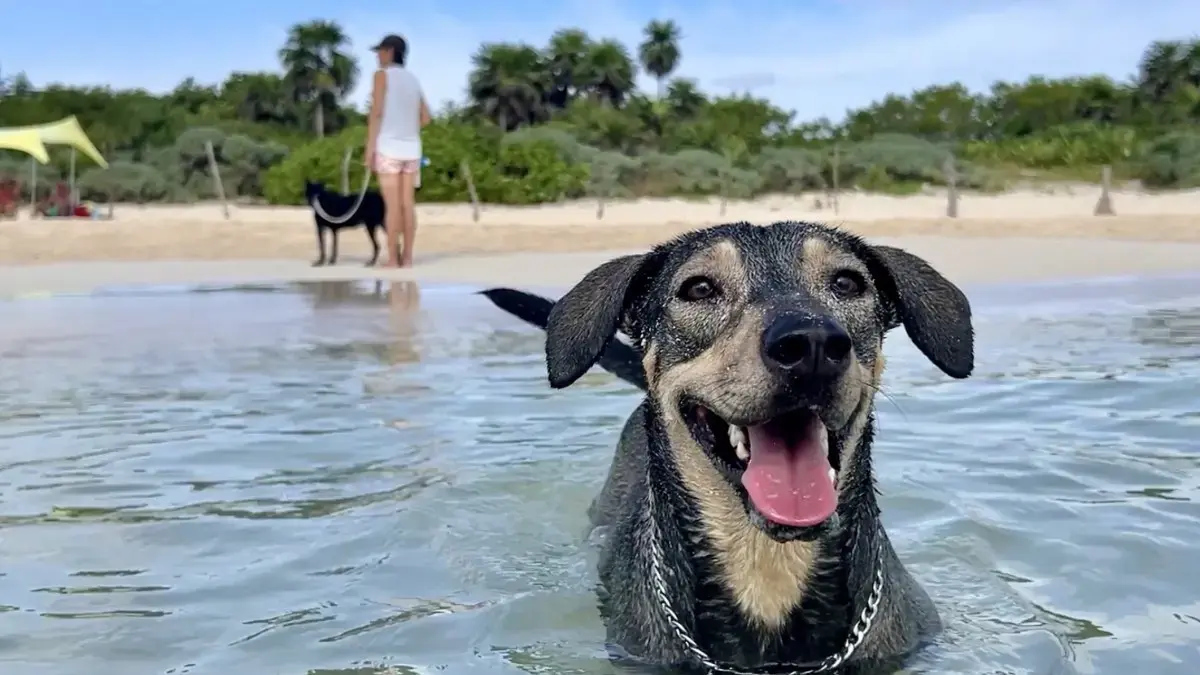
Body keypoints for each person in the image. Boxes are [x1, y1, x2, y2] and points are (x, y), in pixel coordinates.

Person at [366, 34, 430, 268]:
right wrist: (406, 126)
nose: (377, 56)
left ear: (390, 51)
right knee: (407, 204)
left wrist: (370, 148)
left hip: (388, 147)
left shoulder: (381, 76)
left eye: (380, 51)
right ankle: (409, 257)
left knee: (392, 206)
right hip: (412, 148)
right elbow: (425, 117)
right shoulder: (412, 79)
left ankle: (393, 258)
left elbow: (377, 112)